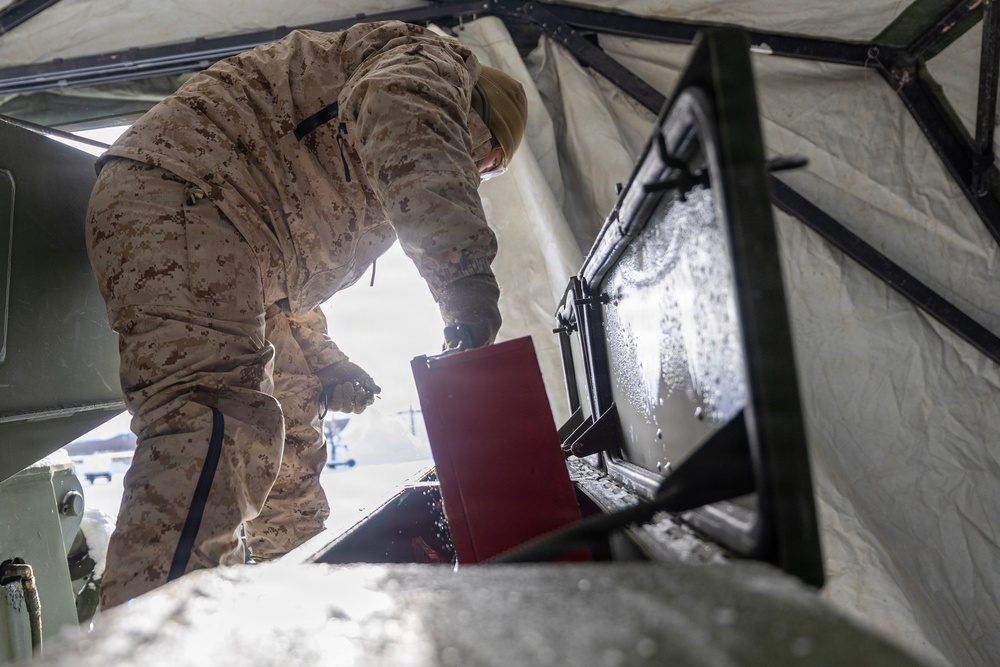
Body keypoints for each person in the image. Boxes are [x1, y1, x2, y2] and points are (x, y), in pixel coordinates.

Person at [85, 20, 528, 608]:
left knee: (293, 404)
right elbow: (404, 117)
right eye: (491, 164)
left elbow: (285, 289)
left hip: (226, 229)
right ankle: (154, 633)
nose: (481, 173)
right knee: (213, 427)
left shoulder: (362, 142)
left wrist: (325, 360)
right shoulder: (432, 65)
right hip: (188, 198)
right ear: (480, 127)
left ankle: (288, 596)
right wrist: (464, 278)